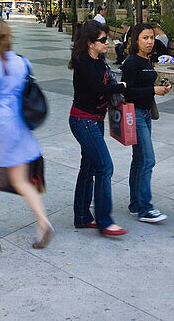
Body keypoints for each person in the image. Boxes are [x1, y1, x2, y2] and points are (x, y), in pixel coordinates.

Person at [0, 20, 53, 248]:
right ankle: (42, 221)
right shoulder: (23, 62)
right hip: (20, 123)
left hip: (2, 128)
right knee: (21, 180)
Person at [69, 20, 128, 237]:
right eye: (103, 40)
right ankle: (104, 220)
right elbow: (99, 89)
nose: (107, 43)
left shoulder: (99, 59)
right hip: (83, 121)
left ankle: (83, 216)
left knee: (89, 167)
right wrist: (119, 86)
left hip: (96, 119)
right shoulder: (83, 61)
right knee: (104, 167)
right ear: (90, 43)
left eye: (107, 38)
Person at [120, 23, 172, 224]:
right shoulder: (132, 62)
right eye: (145, 38)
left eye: (151, 37)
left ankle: (136, 204)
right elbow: (125, 91)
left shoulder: (146, 60)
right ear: (136, 40)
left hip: (145, 113)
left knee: (139, 159)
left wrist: (159, 87)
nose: (150, 42)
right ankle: (145, 209)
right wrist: (153, 91)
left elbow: (144, 86)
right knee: (147, 159)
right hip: (134, 115)